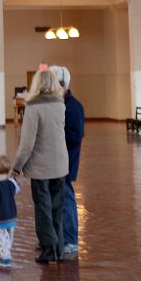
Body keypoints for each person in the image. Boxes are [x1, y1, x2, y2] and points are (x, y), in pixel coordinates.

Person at [11, 67, 68, 264]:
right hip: (60, 165)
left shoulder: (34, 108)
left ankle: (49, 250)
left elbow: (27, 144)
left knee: (43, 209)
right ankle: (59, 248)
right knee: (57, 208)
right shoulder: (60, 105)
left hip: (41, 169)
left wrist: (16, 166)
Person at [52, 65, 84, 257]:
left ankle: (71, 240)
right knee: (58, 200)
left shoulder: (72, 107)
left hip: (66, 161)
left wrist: (54, 134)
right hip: (57, 161)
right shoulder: (60, 105)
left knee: (67, 201)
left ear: (63, 85)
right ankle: (59, 237)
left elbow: (75, 135)